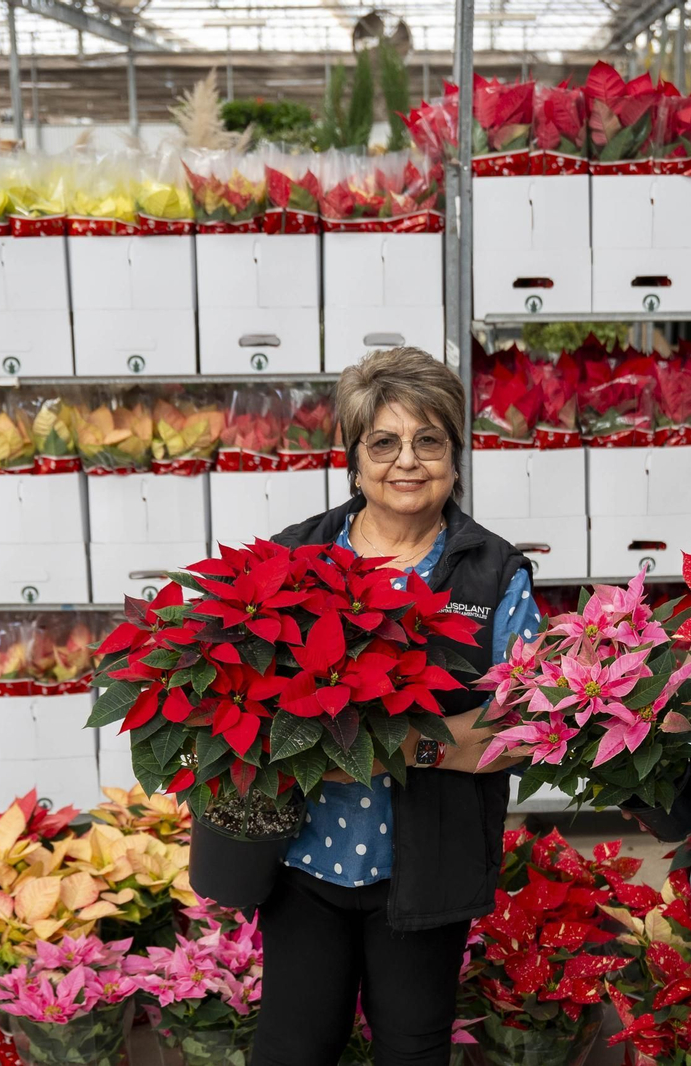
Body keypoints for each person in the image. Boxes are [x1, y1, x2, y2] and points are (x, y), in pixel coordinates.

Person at [251, 346, 540, 1066]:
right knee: (291, 1048)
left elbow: (527, 727)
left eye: (428, 441)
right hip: (303, 865)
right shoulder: (297, 557)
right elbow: (248, 700)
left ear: (454, 455)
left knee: (414, 1048)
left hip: (425, 871)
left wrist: (400, 744)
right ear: (353, 458)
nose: (406, 461)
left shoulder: (493, 571)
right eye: (384, 442)